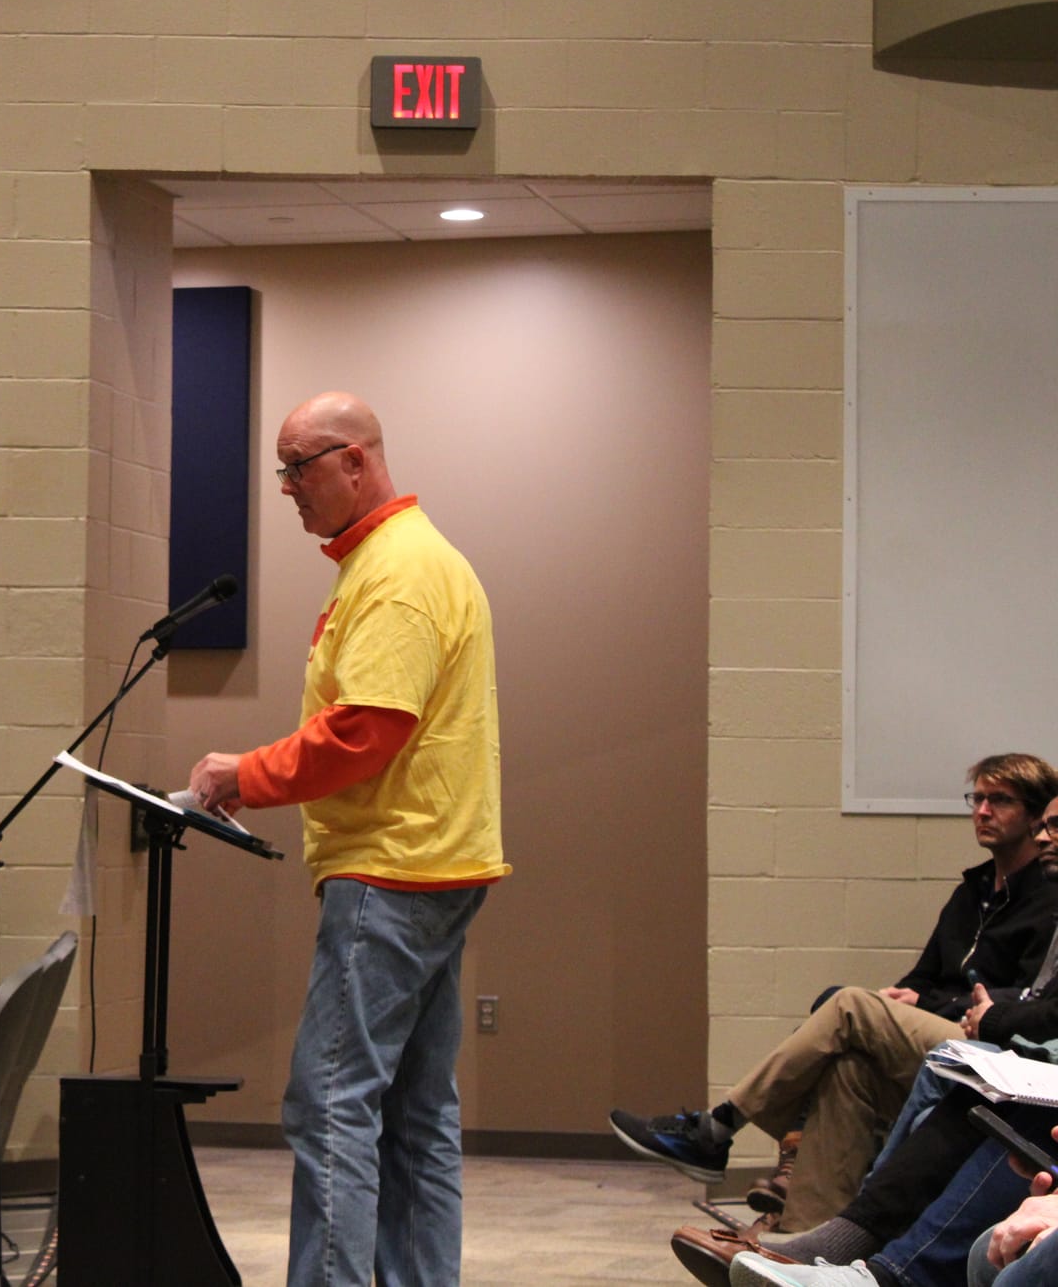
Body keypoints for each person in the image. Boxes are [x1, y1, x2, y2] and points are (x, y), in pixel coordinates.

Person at [185, 390, 506, 1287]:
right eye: (280, 469)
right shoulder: (406, 558)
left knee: (330, 1104)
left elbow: (365, 730)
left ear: (356, 460)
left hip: (392, 871)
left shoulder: (396, 573)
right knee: (415, 1116)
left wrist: (242, 774)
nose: (286, 486)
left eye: (299, 467)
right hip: (439, 866)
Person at [615, 753, 1058, 1236]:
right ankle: (799, 1242)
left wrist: (925, 1004)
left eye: (1000, 801)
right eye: (978, 799)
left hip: (991, 1046)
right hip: (947, 1032)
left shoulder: (1047, 893)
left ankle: (719, 1128)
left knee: (847, 1005)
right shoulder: (970, 892)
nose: (983, 811)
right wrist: (906, 995)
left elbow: (1022, 1001)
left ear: (1036, 815)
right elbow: (924, 975)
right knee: (847, 1068)